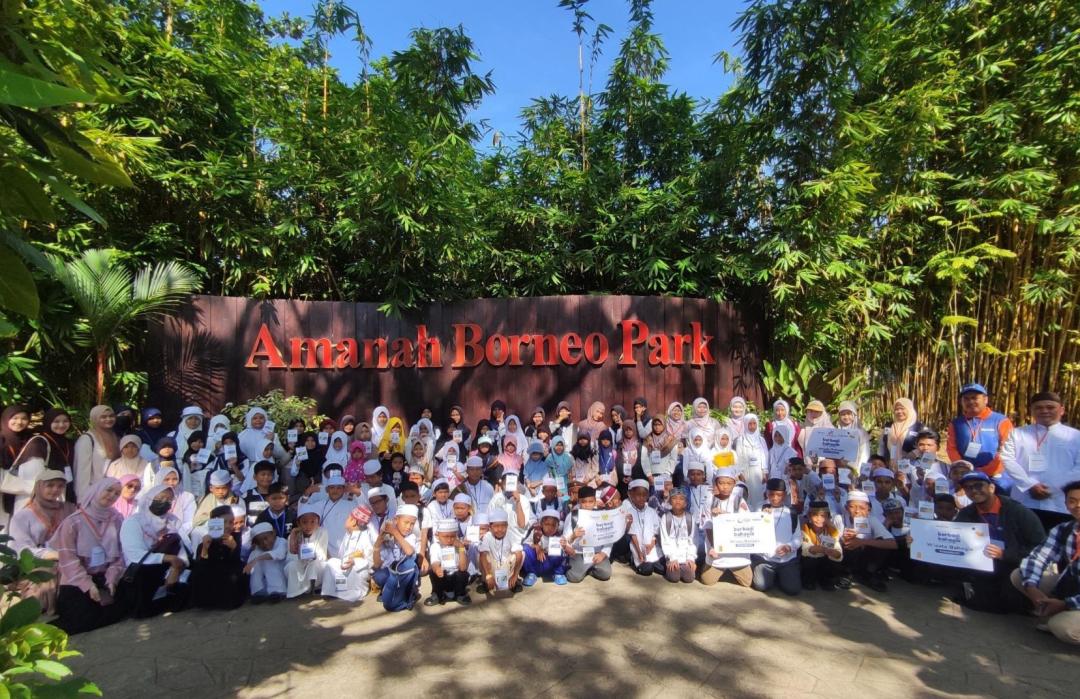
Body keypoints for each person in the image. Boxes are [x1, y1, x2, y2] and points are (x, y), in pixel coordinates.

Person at [953, 471, 1045, 612]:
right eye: (968, 487)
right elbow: (954, 540)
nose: (974, 491)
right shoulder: (966, 513)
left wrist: (1005, 554)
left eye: (979, 486)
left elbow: (1040, 548)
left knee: (1007, 598)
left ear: (992, 488)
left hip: (1015, 564)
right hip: (982, 563)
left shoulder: (1018, 511)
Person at [49, 478, 128, 634]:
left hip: (104, 578)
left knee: (123, 607)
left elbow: (120, 555)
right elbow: (68, 559)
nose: (112, 495)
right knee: (81, 620)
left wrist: (112, 579)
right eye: (108, 490)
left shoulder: (117, 519)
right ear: (97, 490)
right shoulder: (73, 522)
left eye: (117, 493)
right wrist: (88, 585)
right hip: (77, 580)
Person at [1013, 480, 1080, 645]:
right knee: (1018, 576)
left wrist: (1066, 604)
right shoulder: (1065, 529)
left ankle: (1061, 616)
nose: (1078, 505)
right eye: (1072, 501)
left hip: (1074, 597)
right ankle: (1056, 611)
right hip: (1073, 586)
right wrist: (1032, 589)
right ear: (1065, 504)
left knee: (1064, 628)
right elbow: (1038, 557)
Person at [1002, 391, 1080, 532]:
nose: (1044, 411)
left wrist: (1052, 488)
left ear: (1061, 410)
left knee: (1058, 547)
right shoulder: (1018, 433)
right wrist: (1029, 485)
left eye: (1050, 407)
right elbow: (1007, 459)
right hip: (1024, 501)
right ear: (1032, 410)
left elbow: (1078, 468)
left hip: (1060, 503)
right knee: (1024, 544)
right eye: (1039, 407)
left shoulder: (1075, 436)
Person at [8, 469, 77, 613]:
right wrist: (51, 554)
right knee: (45, 576)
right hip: (35, 562)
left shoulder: (70, 509)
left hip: (68, 555)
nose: (55, 490)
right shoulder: (22, 516)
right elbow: (21, 549)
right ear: (39, 486)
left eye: (59, 486)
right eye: (50, 485)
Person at [119, 483, 191, 618]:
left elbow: (181, 547)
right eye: (161, 498)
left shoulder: (172, 520)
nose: (165, 502)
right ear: (150, 498)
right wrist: (169, 558)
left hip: (169, 567)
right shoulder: (133, 522)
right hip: (143, 568)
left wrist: (175, 569)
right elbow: (135, 555)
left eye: (169, 500)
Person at [947, 383, 1014, 488]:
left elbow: (1007, 449)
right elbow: (951, 449)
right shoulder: (956, 423)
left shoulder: (1000, 421)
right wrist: (962, 468)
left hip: (997, 474)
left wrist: (987, 471)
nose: (970, 402)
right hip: (966, 475)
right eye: (966, 399)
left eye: (974, 398)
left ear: (985, 399)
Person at [9, 408, 75, 508]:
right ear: (48, 422)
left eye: (65, 421)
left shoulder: (69, 443)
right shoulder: (39, 443)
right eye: (56, 421)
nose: (61, 425)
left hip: (65, 494)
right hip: (43, 500)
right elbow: (32, 478)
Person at [701, 468, 752, 587]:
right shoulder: (709, 500)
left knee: (747, 582)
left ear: (734, 484)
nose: (725, 487)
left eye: (729, 483)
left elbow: (746, 524)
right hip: (718, 551)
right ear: (715, 483)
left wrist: (725, 516)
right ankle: (720, 568)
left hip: (736, 552)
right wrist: (713, 546)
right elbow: (708, 527)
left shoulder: (739, 500)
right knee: (707, 580)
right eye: (721, 483)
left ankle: (733, 568)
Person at [189, 504, 247, 609]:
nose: (228, 526)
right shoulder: (207, 538)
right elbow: (201, 564)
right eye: (224, 522)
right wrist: (205, 548)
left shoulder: (235, 537)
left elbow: (235, 563)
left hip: (227, 574)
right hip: (211, 573)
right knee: (197, 573)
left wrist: (234, 548)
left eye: (231, 522)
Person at [752, 478, 802, 596]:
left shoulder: (791, 512)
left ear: (784, 495)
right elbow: (752, 530)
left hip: (786, 559)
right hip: (765, 559)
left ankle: (782, 574)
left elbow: (798, 537)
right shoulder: (759, 508)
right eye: (771, 494)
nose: (775, 498)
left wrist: (789, 547)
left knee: (793, 589)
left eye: (779, 495)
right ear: (766, 493)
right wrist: (762, 517)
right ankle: (771, 574)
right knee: (760, 585)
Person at [840, 490, 897, 592]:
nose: (857, 511)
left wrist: (862, 542)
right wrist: (847, 539)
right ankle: (846, 574)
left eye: (862, 508)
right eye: (853, 507)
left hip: (865, 556)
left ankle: (868, 574)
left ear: (868, 510)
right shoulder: (839, 519)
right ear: (846, 508)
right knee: (849, 545)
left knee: (881, 542)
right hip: (846, 555)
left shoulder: (872, 520)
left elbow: (892, 543)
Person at [371, 504, 421, 611]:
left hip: (405, 575)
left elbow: (409, 551)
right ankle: (388, 591)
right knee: (379, 574)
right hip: (392, 575)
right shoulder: (388, 537)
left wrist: (395, 532)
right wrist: (378, 542)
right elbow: (377, 564)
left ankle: (408, 595)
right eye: (406, 522)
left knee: (407, 565)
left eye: (412, 524)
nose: (409, 527)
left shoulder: (411, 536)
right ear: (396, 520)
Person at [322, 505, 375, 602]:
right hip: (346, 567)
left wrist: (355, 562)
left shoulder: (366, 536)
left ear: (354, 521)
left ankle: (347, 592)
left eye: (348, 518)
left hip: (359, 570)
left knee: (350, 570)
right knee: (332, 562)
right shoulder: (347, 534)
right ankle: (334, 592)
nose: (346, 520)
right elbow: (342, 555)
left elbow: (371, 561)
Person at [563, 486, 613, 583]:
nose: (587, 505)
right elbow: (565, 539)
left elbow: (609, 537)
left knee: (605, 574)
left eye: (590, 502)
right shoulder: (573, 516)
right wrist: (573, 536)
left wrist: (603, 554)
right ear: (579, 501)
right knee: (574, 577)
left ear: (595, 502)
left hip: (597, 553)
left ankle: (589, 569)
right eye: (584, 502)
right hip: (579, 553)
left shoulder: (601, 516)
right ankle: (582, 567)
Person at [74, 405, 120, 503]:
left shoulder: (114, 437)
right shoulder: (87, 439)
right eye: (103, 417)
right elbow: (82, 472)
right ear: (94, 418)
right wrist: (82, 500)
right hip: (94, 494)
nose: (108, 419)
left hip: (112, 493)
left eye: (111, 416)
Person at [285, 502, 329, 598]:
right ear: (299, 523)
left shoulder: (322, 532)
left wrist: (310, 557)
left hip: (316, 563)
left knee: (313, 565)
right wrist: (293, 536)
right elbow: (290, 557)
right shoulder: (293, 535)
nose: (308, 526)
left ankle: (313, 589)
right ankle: (296, 592)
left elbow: (322, 555)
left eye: (313, 522)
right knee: (291, 566)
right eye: (304, 522)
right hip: (300, 564)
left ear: (318, 522)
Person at [801, 500, 845, 590]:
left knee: (834, 562)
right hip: (811, 560)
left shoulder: (831, 531)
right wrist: (824, 550)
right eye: (815, 515)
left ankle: (826, 580)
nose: (819, 519)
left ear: (828, 517)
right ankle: (809, 580)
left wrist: (834, 553)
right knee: (809, 561)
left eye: (823, 516)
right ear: (809, 516)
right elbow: (806, 550)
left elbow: (839, 553)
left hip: (825, 560)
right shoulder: (805, 529)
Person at [624, 479, 664, 576]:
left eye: (644, 495)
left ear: (647, 496)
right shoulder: (629, 512)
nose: (641, 498)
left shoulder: (651, 511)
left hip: (652, 547)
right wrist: (639, 553)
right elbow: (633, 535)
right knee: (647, 570)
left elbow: (656, 530)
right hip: (638, 548)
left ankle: (652, 561)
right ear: (631, 495)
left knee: (663, 570)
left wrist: (651, 544)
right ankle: (634, 559)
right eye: (638, 495)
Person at [426, 519, 472, 605]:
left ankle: (460, 594)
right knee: (432, 572)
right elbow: (434, 562)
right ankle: (438, 594)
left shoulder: (459, 546)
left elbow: (463, 567)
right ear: (437, 536)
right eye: (446, 536)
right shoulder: (435, 546)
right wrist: (437, 569)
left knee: (463, 574)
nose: (449, 540)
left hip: (456, 578)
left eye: (452, 536)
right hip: (443, 576)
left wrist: (461, 548)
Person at [479, 509, 524, 595]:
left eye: (503, 526)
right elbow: (483, 554)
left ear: (507, 526)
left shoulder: (510, 534)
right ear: (490, 527)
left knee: (520, 554)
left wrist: (515, 575)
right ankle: (485, 582)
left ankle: (514, 581)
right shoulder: (487, 536)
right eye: (496, 526)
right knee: (481, 555)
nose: (500, 529)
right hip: (492, 567)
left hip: (506, 566)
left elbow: (518, 554)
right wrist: (488, 575)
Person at [522, 509, 569, 586]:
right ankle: (531, 574)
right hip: (537, 564)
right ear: (541, 524)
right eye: (547, 524)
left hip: (550, 565)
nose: (550, 528)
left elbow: (566, 552)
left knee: (562, 551)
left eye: (554, 525)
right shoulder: (536, 532)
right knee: (526, 549)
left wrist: (564, 546)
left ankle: (558, 574)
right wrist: (536, 546)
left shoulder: (559, 536)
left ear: (558, 526)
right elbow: (525, 544)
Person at [659, 488, 696, 583]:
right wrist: (672, 558)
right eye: (674, 498)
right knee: (674, 578)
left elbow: (692, 540)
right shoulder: (666, 517)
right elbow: (665, 540)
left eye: (681, 499)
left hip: (685, 555)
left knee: (689, 578)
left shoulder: (690, 518)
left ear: (686, 503)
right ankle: (669, 566)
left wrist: (691, 558)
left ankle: (683, 567)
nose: (678, 501)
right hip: (672, 555)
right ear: (670, 501)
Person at [245, 522, 287, 603]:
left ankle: (277, 592)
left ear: (273, 533)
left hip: (281, 579)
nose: (264, 543)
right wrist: (253, 561)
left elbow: (278, 554)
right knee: (256, 558)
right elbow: (250, 566)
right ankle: (258, 591)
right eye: (260, 541)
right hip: (266, 581)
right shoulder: (258, 549)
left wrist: (256, 559)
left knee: (268, 559)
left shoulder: (282, 541)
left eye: (266, 538)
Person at [735, 414, 769, 509]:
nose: (752, 426)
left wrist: (765, 471)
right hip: (746, 471)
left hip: (758, 471)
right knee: (748, 493)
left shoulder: (761, 439)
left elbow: (765, 455)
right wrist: (740, 472)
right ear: (745, 424)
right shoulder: (741, 440)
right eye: (750, 424)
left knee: (759, 493)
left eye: (754, 423)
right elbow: (738, 457)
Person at [879, 398, 925, 467]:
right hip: (889, 466)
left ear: (909, 409)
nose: (899, 411)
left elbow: (929, 449)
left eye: (902, 408)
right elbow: (881, 446)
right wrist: (880, 461)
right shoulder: (888, 426)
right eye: (896, 409)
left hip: (912, 467)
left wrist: (914, 453)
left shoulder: (920, 428)